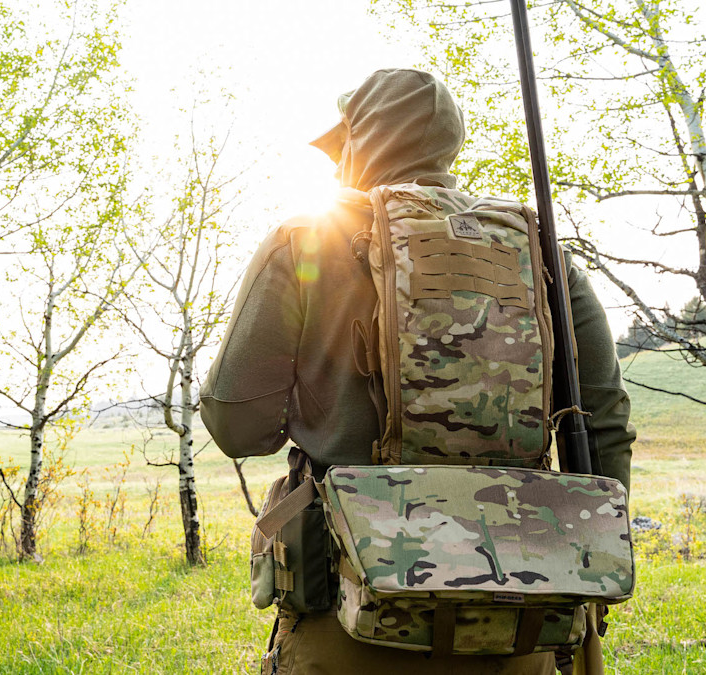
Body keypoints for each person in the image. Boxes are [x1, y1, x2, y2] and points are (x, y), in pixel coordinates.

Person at [199, 68, 636, 675]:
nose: (333, 168)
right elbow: (604, 422)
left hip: (346, 622)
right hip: (520, 622)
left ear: (360, 142)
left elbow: (236, 427)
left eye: (340, 147)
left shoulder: (304, 240)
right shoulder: (542, 253)